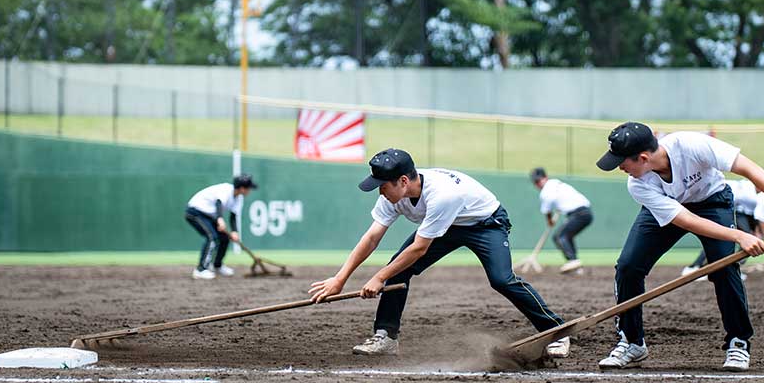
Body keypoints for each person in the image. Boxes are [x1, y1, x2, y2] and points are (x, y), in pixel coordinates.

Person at [308, 148, 570, 358]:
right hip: (445, 226)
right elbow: (372, 237)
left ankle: (557, 331)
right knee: (398, 269)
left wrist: (378, 277)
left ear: (402, 181)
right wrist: (339, 279)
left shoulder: (442, 195)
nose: (379, 191)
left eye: (382, 185)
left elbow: (420, 248)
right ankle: (386, 337)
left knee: (502, 279)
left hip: (485, 223)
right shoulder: (392, 195)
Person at [594, 123, 764, 372]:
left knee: (723, 267)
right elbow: (687, 220)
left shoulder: (691, 145)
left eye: (621, 162)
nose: (619, 168)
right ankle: (632, 342)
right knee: (628, 266)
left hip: (713, 201)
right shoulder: (638, 184)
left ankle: (738, 341)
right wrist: (739, 235)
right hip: (671, 206)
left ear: (643, 158)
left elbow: (750, 169)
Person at [682, 180, 764, 275]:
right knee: (732, 237)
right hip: (722, 205)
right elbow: (763, 224)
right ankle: (695, 267)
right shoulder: (763, 198)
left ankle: (735, 268)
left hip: (741, 212)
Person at [185, 173, 257, 280]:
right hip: (195, 212)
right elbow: (218, 203)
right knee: (211, 238)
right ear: (242, 188)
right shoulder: (226, 189)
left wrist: (234, 232)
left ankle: (217, 265)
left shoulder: (238, 198)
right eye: (248, 188)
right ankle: (201, 270)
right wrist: (220, 219)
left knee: (224, 238)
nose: (249, 190)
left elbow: (233, 215)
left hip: (209, 216)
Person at [529, 167, 593, 274]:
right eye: (536, 182)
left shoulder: (546, 191)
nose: (538, 184)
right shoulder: (556, 183)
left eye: (539, 180)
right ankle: (577, 268)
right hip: (586, 213)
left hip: (579, 213)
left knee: (559, 236)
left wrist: (549, 221)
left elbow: (547, 210)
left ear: (545, 178)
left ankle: (573, 261)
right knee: (566, 236)